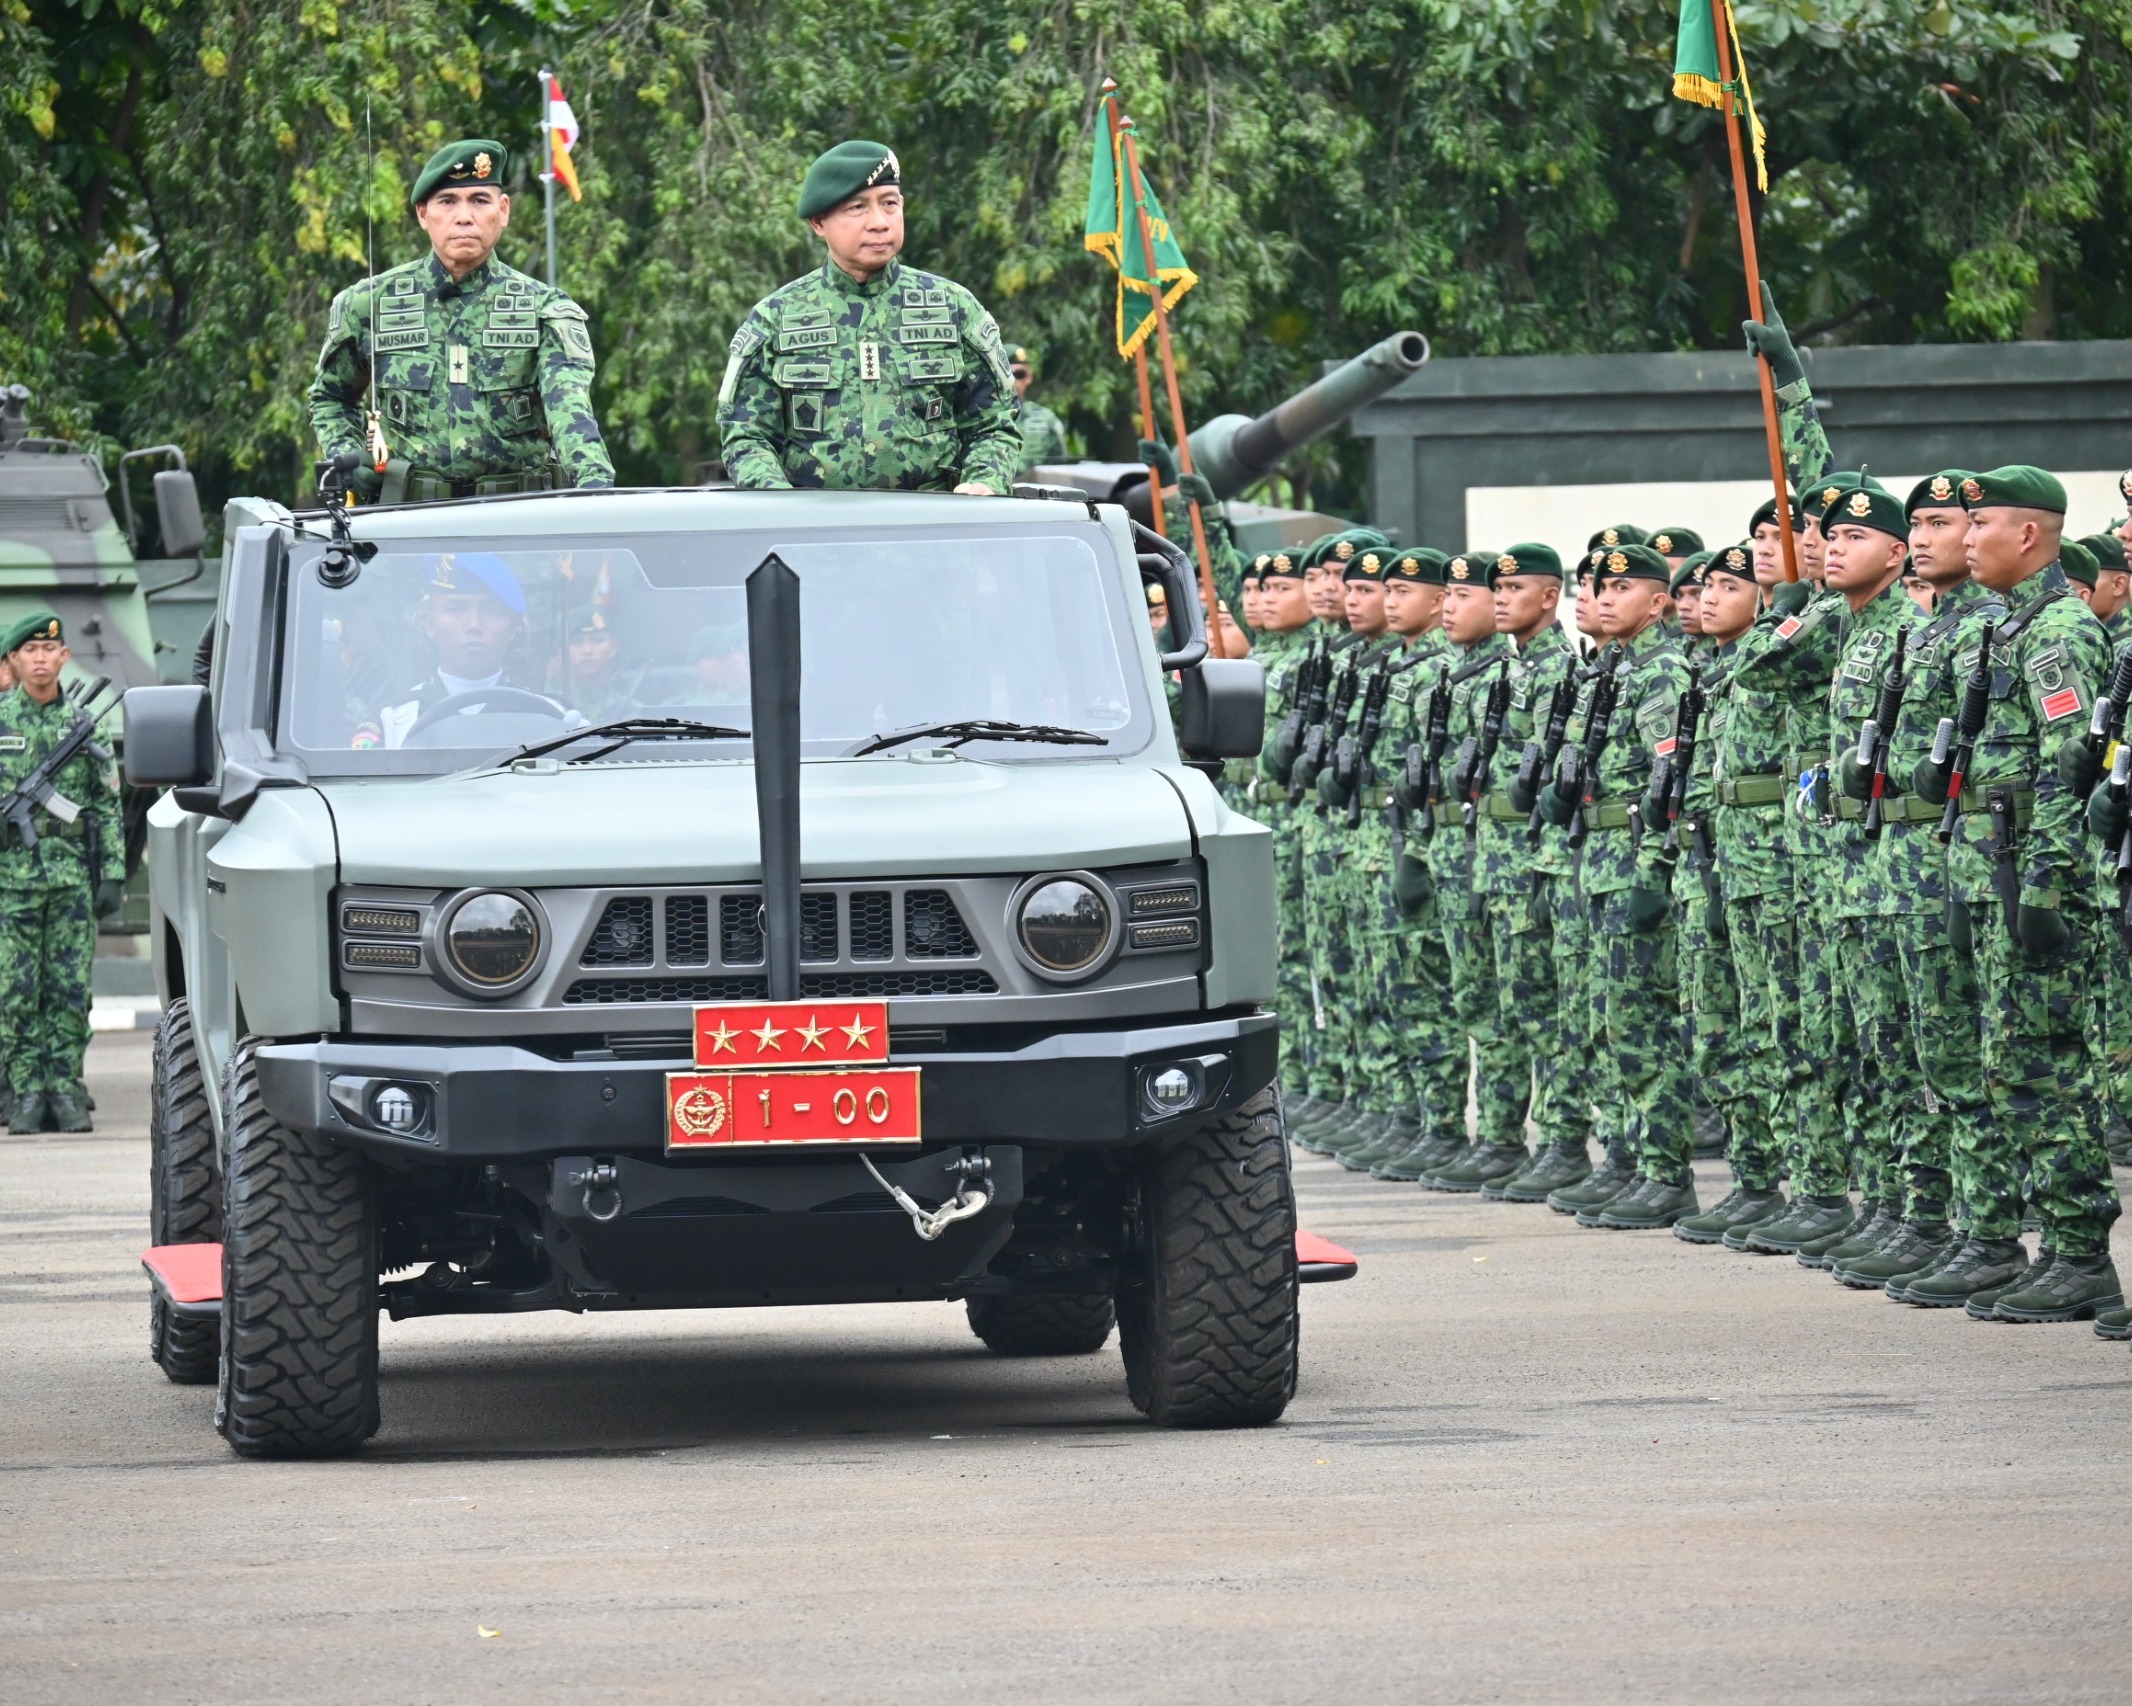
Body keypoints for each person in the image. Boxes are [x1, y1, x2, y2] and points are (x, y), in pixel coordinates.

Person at [1941, 466, 2123, 1323]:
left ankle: (2082, 1252)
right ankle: (2055, 1243)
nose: (1965, 540)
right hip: (1994, 870)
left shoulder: (2059, 631)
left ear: (2029, 535)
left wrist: (2046, 887)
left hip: (2035, 876)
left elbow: (2066, 770)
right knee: (2010, 1066)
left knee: (2046, 1068)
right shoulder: (2006, 627)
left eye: (1981, 526)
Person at [309, 139, 614, 504]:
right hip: (407, 523)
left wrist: (595, 488)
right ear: (423, 214)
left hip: (517, 522)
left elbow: (569, 409)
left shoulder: (544, 309)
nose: (464, 216)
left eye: (479, 201)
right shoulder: (369, 304)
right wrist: (351, 455)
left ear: (503, 211)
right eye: (448, 202)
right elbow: (331, 397)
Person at [1536, 544, 1695, 1228]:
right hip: (1598, 859)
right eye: (1597, 586)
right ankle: (1627, 1158)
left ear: (1658, 601)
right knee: (1610, 1022)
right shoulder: (1612, 670)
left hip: (1634, 862)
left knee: (1643, 1024)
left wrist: (1655, 869)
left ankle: (1666, 1173)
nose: (1601, 596)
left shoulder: (1663, 673)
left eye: (1620, 586)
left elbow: (1670, 784)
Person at [717, 141, 1020, 494]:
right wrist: (781, 506)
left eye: (889, 203)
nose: (879, 223)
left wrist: (985, 481)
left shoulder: (953, 308)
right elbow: (746, 436)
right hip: (814, 535)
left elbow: (993, 424)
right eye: (857, 208)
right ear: (819, 222)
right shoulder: (776, 318)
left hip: (932, 530)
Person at [0, 612, 124, 1134]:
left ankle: (66, 1088)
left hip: (71, 876)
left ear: (65, 657)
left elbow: (105, 805)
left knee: (70, 988)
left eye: (49, 650)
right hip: (10, 882)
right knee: (16, 991)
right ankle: (28, 1093)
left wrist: (112, 873)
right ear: (12, 661)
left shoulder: (81, 725)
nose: (41, 659)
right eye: (29, 650)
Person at [374, 554, 553, 748]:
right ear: (429, 623)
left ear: (512, 628)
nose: (474, 625)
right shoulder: (394, 724)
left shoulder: (550, 717)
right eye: (456, 609)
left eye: (491, 610)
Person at [560, 606, 637, 723]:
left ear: (612, 647)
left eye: (597, 640)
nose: (587, 650)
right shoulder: (553, 707)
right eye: (577, 642)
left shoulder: (631, 710)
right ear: (562, 652)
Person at [1010, 347, 1069, 472]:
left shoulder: (1046, 419)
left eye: (1019, 374)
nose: (1013, 380)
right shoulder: (980, 416)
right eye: (1007, 373)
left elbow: (1060, 465)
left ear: (1029, 377)